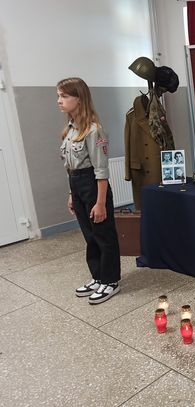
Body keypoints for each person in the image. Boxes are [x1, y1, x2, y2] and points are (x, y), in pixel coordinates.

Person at [58, 77, 121, 304]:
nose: (59, 101)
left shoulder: (94, 130)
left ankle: (111, 281)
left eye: (64, 96)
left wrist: (101, 202)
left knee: (104, 234)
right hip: (77, 185)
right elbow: (69, 167)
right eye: (59, 96)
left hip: (94, 186)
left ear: (79, 98)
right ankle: (98, 276)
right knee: (89, 235)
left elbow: (101, 170)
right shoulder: (70, 130)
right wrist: (71, 194)